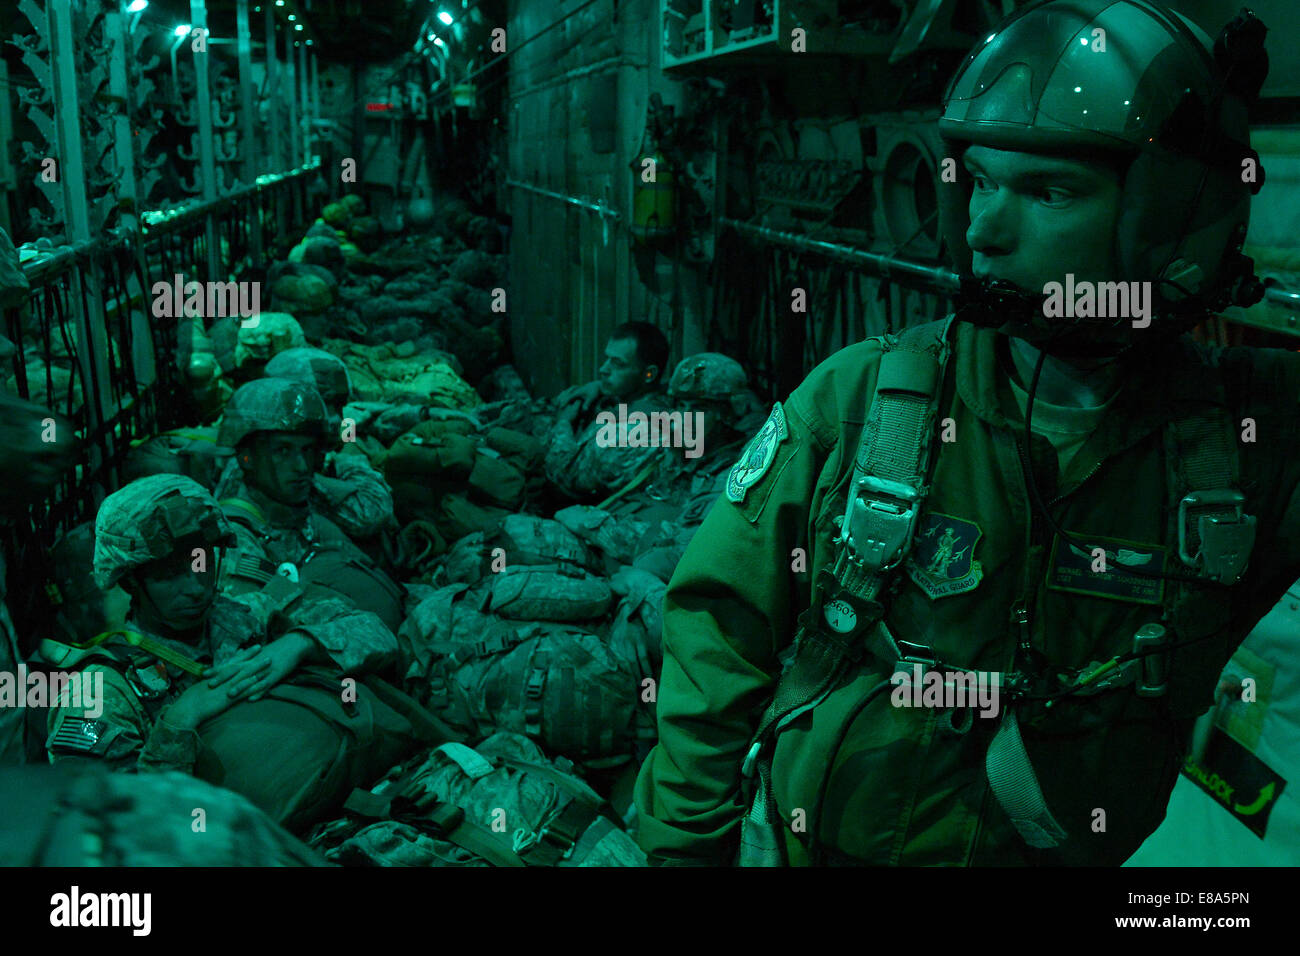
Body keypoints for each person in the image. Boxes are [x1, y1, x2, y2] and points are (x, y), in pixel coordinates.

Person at [633, 0, 1288, 866]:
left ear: (1166, 217)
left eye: (1048, 191)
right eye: (980, 182)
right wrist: (685, 852)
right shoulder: (865, 403)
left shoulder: (1249, 441)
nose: (984, 231)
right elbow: (717, 630)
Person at [42, 474, 421, 830]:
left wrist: (300, 644)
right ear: (130, 582)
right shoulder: (100, 691)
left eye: (201, 562)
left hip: (342, 798)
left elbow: (376, 632)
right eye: (169, 573)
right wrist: (179, 721)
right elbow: (101, 827)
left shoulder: (248, 611)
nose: (194, 587)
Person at [214, 377, 406, 633]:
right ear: (246, 458)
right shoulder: (238, 538)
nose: (302, 467)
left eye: (306, 451)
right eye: (283, 451)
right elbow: (261, 625)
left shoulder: (293, 505)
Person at [544, 322, 676, 500]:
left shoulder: (627, 434)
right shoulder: (662, 400)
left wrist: (564, 423)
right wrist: (598, 386)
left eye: (618, 364)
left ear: (649, 374)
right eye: (607, 359)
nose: (603, 369)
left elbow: (563, 474)